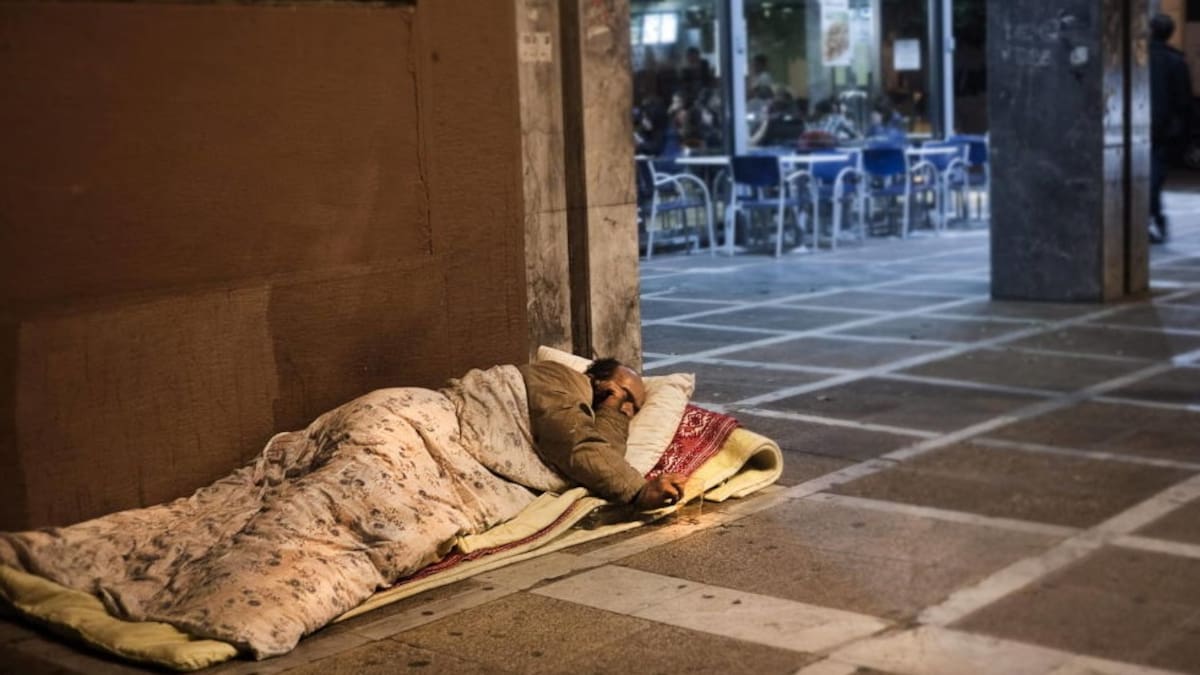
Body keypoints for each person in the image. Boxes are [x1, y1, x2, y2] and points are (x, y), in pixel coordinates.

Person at [519, 357, 687, 510]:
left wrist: (611, 412)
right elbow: (575, 442)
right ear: (596, 380)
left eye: (634, 408)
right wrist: (639, 491)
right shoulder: (555, 376)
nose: (627, 410)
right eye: (625, 395)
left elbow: (601, 459)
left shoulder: (597, 416)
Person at [1149, 12, 1193, 244]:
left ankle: (1153, 217)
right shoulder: (1176, 61)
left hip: (1139, 126)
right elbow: (1183, 101)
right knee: (1154, 175)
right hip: (1164, 129)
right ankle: (1154, 217)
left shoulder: (1139, 59)